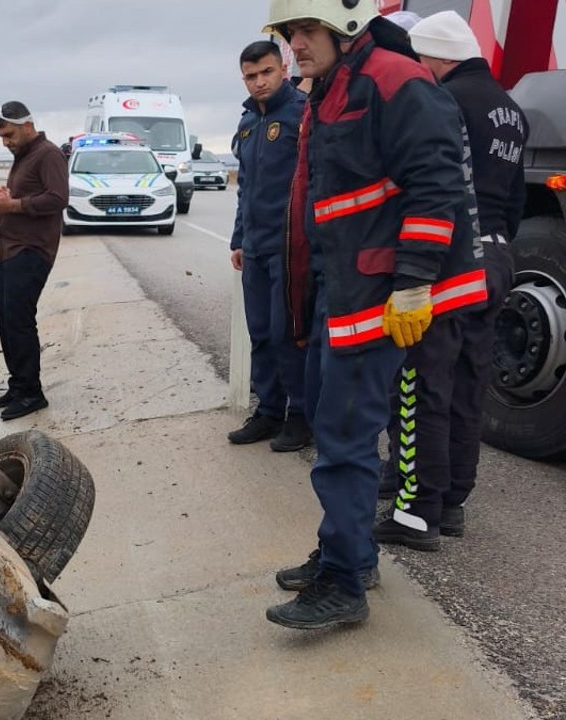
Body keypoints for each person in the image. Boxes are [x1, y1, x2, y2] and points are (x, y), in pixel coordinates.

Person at [261, 0, 487, 630]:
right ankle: (350, 555)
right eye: (288, 34)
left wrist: (414, 282)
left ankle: (343, 581)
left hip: (383, 296)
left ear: (346, 26)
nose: (294, 46)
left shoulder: (393, 79)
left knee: (344, 438)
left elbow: (436, 185)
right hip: (347, 290)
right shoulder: (332, 88)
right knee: (336, 427)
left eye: (305, 31)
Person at [374, 11, 528, 548]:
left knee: (419, 384)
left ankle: (417, 511)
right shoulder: (510, 108)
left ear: (436, 58)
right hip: (498, 257)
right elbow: (513, 201)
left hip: (450, 257)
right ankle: (454, 499)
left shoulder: (444, 99)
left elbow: (433, 182)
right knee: (468, 383)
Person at [227, 40, 312, 452]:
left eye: (266, 72)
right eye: (251, 75)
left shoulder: (302, 113)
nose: (259, 82)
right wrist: (239, 239)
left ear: (283, 68)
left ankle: (300, 417)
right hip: (257, 247)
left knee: (288, 332)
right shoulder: (247, 123)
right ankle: (269, 412)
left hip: (292, 246)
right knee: (259, 332)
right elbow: (246, 188)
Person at [0, 101, 69, 421]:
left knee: (19, 321)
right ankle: (19, 385)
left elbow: (59, 198)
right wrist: (3, 199)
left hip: (32, 251)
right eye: (1, 137)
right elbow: (23, 197)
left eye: (9, 135)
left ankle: (32, 393)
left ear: (27, 126)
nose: (5, 142)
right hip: (9, 249)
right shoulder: (23, 156)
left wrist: (14, 205)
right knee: (6, 320)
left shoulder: (47, 154)